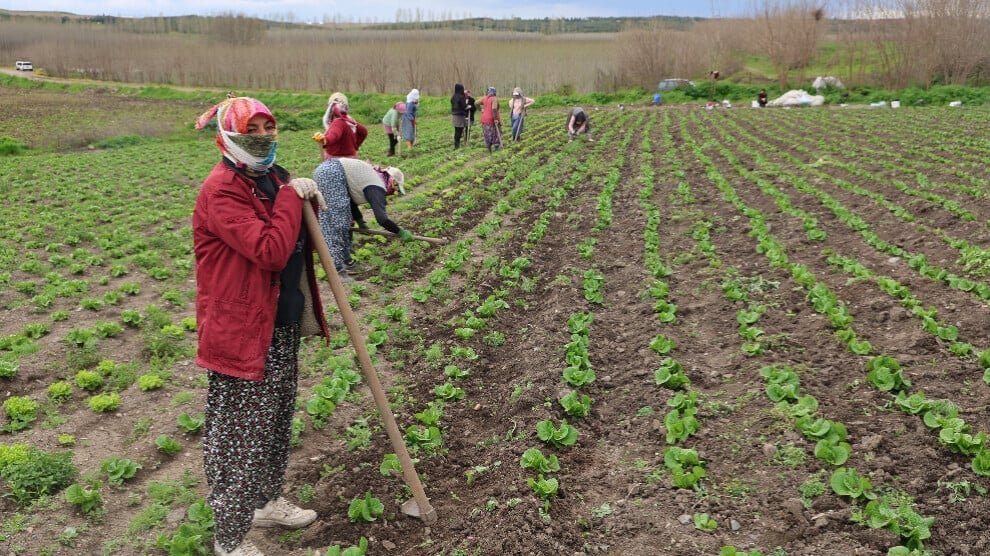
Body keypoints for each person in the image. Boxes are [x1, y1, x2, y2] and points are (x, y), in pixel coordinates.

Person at [193, 97, 330, 556]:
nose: (265, 136)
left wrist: (303, 193)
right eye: (254, 129)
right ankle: (229, 541)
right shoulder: (222, 190)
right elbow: (270, 250)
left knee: (273, 422)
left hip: (278, 321)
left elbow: (291, 222)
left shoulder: (271, 177)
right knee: (240, 434)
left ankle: (266, 503)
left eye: (270, 127)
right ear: (231, 136)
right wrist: (294, 196)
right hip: (241, 332)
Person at [313, 157, 413, 282]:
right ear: (392, 181)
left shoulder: (373, 179)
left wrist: (361, 222)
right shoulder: (377, 186)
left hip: (329, 170)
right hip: (332, 173)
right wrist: (400, 231)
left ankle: (347, 262)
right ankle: (336, 270)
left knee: (344, 221)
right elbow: (382, 219)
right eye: (396, 188)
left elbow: (350, 202)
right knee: (336, 224)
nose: (394, 192)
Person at [313, 92, 367, 160]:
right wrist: (355, 147)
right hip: (352, 159)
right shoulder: (350, 121)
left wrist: (325, 140)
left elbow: (334, 135)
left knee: (321, 171)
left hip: (337, 161)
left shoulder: (338, 122)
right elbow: (364, 132)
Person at [480, 86, 502, 153]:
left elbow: (476, 103)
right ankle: (496, 149)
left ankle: (489, 149)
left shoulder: (484, 98)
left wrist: (481, 109)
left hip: (484, 119)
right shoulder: (494, 99)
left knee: (487, 133)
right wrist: (495, 119)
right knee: (495, 133)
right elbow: (494, 109)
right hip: (491, 119)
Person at [451, 83, 467, 149]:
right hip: (460, 115)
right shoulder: (461, 96)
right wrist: (467, 106)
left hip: (454, 115)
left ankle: (456, 145)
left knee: (456, 130)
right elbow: (464, 106)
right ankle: (457, 146)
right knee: (459, 130)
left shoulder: (453, 96)